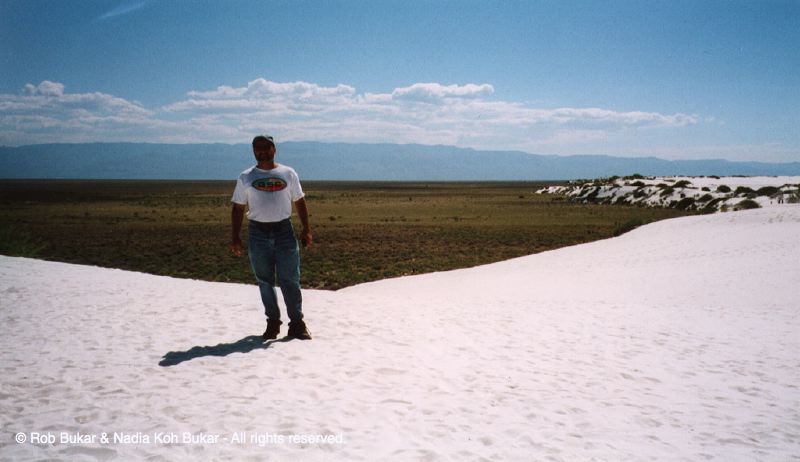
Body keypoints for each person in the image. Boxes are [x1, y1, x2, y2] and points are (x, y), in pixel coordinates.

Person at [230, 135, 312, 340]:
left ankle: (297, 324)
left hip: (284, 231)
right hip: (258, 232)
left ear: (274, 149)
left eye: (265, 147)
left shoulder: (288, 173)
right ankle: (273, 323)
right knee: (264, 280)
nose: (261, 151)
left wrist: (306, 229)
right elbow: (238, 207)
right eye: (257, 148)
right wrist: (235, 236)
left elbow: (299, 201)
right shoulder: (246, 177)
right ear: (253, 151)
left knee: (290, 279)